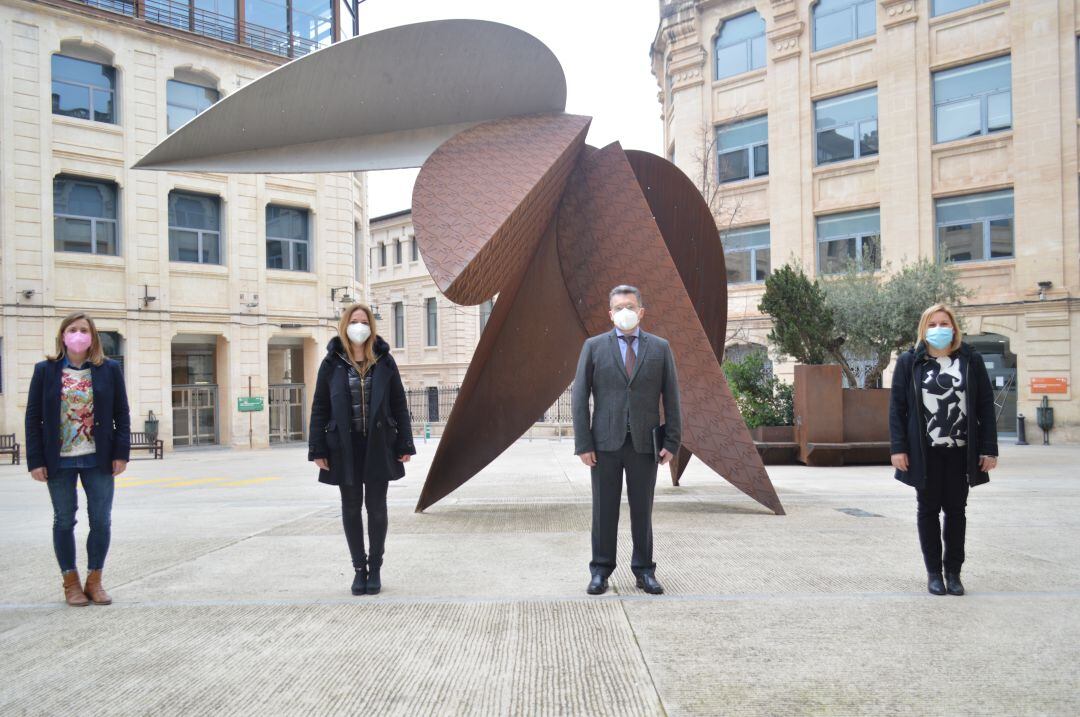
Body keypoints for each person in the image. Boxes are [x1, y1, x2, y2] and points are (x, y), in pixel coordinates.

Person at [572, 285, 681, 596]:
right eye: (618, 307)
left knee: (642, 511)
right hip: (604, 444)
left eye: (630, 306)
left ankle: (644, 570)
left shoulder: (660, 348)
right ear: (610, 313)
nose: (625, 312)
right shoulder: (593, 347)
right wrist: (583, 443)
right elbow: (580, 397)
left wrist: (671, 442)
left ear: (641, 311)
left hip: (645, 445)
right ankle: (600, 571)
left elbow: (672, 397)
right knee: (603, 511)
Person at [889, 303, 998, 596]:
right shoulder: (909, 361)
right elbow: (897, 409)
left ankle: (954, 573)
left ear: (953, 327)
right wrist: (898, 448)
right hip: (925, 451)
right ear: (924, 329)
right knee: (927, 510)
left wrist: (989, 449)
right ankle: (934, 573)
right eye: (932, 324)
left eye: (943, 323)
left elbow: (985, 406)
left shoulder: (970, 360)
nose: (939, 329)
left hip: (961, 449)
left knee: (956, 511)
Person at [308, 303, 415, 596]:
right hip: (344, 446)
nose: (359, 326)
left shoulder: (384, 360)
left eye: (363, 321)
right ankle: (359, 569)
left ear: (371, 326)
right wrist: (317, 448)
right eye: (354, 321)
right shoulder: (332, 362)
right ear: (345, 325)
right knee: (351, 507)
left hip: (379, 444)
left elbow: (398, 404)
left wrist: (405, 443)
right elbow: (320, 407)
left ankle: (376, 567)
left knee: (377, 508)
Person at [25, 312, 130, 606]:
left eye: (84, 329)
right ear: (63, 335)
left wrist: (121, 454)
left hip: (99, 459)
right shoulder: (45, 371)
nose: (79, 334)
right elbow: (33, 418)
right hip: (59, 459)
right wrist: (35, 460)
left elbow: (122, 413)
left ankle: (94, 580)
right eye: (73, 329)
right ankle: (70, 583)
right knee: (63, 520)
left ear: (93, 336)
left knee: (101, 521)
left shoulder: (109, 369)